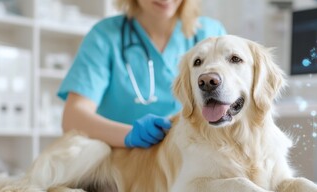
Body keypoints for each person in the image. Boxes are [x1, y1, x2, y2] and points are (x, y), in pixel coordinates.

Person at [57, 0, 226, 148]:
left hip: (192, 156)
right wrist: (129, 135)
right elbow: (73, 118)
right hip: (124, 162)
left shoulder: (210, 33)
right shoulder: (105, 36)